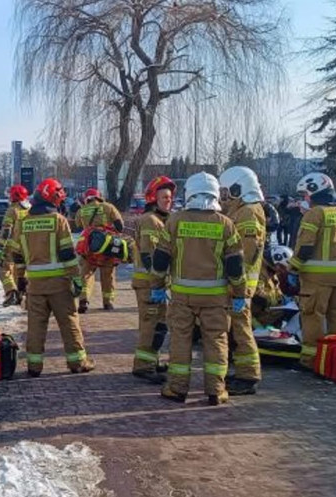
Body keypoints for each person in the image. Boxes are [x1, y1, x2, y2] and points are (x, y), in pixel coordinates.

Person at [151, 173, 245, 405]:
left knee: (180, 340)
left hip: (182, 296)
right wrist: (240, 293)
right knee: (216, 340)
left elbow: (161, 259)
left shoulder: (175, 221)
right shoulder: (226, 224)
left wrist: (157, 286)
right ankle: (216, 390)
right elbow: (235, 266)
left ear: (189, 193)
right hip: (216, 298)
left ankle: (177, 388)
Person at [6, 178, 94, 376]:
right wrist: (77, 279)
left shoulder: (23, 222)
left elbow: (17, 256)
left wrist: (20, 278)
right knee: (69, 322)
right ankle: (78, 362)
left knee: (35, 326)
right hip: (59, 286)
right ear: (52, 198)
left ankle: (34, 365)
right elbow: (68, 255)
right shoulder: (58, 221)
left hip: (35, 286)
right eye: (58, 197)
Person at [288, 173, 336, 371]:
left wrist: (292, 267)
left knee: (313, 316)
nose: (305, 199)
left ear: (315, 191)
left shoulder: (315, 213)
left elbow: (306, 247)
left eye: (305, 194)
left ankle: (311, 361)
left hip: (316, 279)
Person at [218, 166, 266, 395]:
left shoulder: (247, 212)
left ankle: (248, 376)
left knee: (241, 328)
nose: (223, 196)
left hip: (241, 283)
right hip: (237, 282)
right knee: (235, 327)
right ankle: (240, 370)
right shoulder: (241, 211)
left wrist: (236, 280)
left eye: (227, 191)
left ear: (239, 188)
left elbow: (246, 251)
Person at [131, 176, 176, 382]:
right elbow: (151, 256)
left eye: (170, 197)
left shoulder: (160, 220)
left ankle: (152, 361)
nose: (169, 200)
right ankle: (143, 366)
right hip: (150, 284)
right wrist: (159, 281)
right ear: (153, 198)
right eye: (164, 197)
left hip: (155, 283)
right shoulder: (150, 220)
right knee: (150, 326)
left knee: (158, 325)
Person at [74, 187, 125, 311]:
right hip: (107, 245)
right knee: (108, 274)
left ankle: (83, 300)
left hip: (89, 246)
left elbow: (78, 225)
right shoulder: (109, 207)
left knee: (85, 273)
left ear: (87, 199)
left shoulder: (82, 210)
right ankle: (108, 302)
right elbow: (120, 226)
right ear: (99, 196)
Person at [0, 184, 31, 306]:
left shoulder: (12, 210)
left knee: (4, 269)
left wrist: (0, 247)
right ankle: (26, 300)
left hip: (13, 247)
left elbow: (6, 230)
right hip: (28, 248)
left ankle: (11, 291)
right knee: (23, 273)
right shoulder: (30, 209)